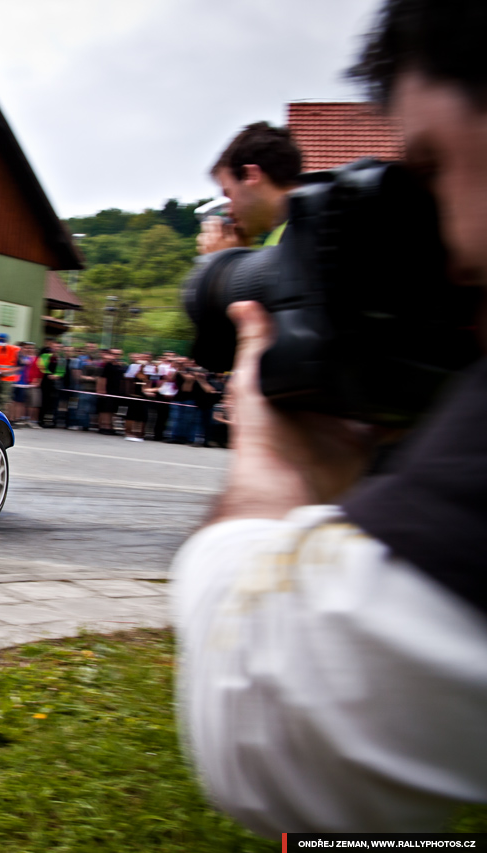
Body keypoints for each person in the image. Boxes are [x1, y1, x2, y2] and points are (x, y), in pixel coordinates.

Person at [174, 0, 487, 836]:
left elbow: (284, 721)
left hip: (345, 531)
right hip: (379, 495)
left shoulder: (307, 252)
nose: (455, 256)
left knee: (358, 774)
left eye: (434, 164)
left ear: (247, 177)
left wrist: (269, 475)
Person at [197, 121, 303, 255]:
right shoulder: (296, 229)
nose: (228, 211)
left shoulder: (293, 240)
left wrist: (223, 261)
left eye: (228, 193)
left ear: (250, 175)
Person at [96, 348, 124, 435]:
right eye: (114, 354)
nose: (116, 356)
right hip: (108, 389)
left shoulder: (119, 365)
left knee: (112, 410)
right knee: (106, 409)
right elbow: (102, 378)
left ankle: (110, 425)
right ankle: (105, 426)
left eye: (118, 354)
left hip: (116, 390)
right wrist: (101, 390)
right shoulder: (107, 365)